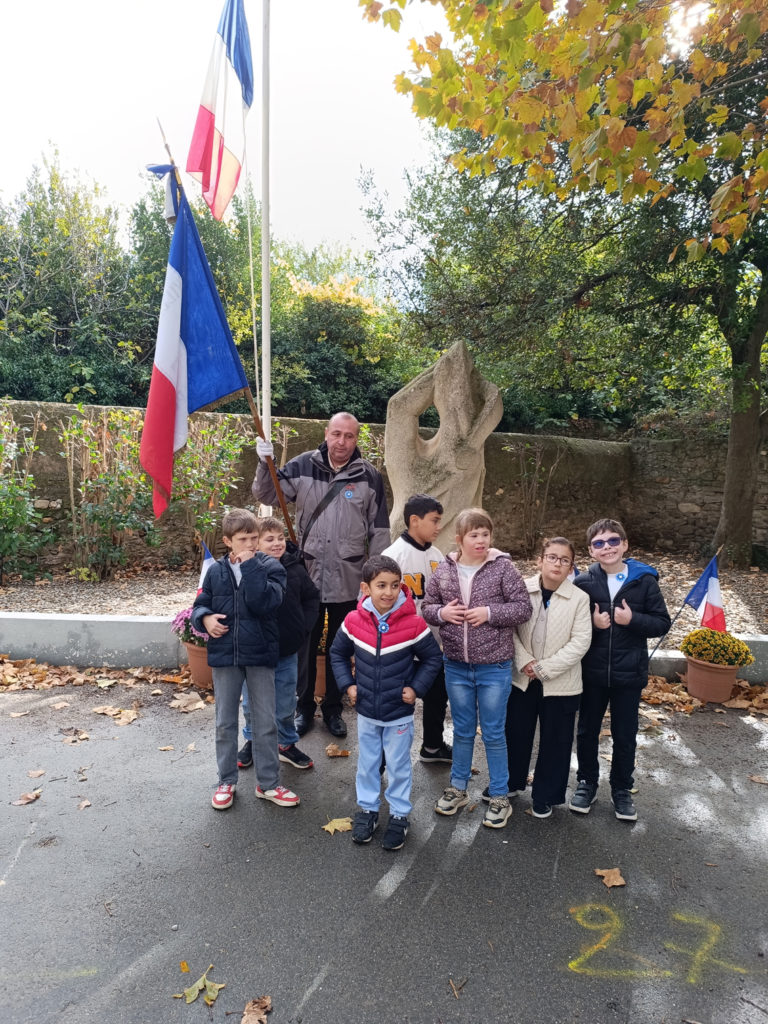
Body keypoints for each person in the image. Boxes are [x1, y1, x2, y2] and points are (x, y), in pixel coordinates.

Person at [252, 412, 390, 739]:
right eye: (337, 434)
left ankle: (332, 708)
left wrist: (376, 579)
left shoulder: (369, 476)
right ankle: (303, 709)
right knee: (305, 645)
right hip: (307, 578)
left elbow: (380, 530)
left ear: (357, 439)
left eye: (349, 436)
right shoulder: (302, 465)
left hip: (348, 578)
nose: (342, 442)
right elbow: (266, 494)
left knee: (337, 648)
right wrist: (264, 462)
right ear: (326, 433)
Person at [422, 508, 532, 829]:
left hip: (494, 666)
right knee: (463, 730)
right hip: (455, 665)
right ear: (459, 539)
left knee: (494, 732)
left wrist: (488, 612)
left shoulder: (503, 569)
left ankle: (499, 795)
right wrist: (443, 613)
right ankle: (458, 788)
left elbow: (522, 607)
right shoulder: (444, 569)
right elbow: (427, 607)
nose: (481, 540)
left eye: (485, 534)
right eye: (474, 535)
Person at [330, 555, 442, 851]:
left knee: (398, 765)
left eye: (394, 585)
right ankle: (367, 810)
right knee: (367, 764)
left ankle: (399, 814)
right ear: (365, 588)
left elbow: (433, 658)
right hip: (366, 711)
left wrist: (415, 688)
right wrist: (348, 685)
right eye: (381, 585)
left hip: (399, 714)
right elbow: (337, 653)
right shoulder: (353, 621)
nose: (388, 592)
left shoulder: (414, 624)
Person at [191, 508, 299, 811]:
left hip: (261, 654)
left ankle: (269, 784)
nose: (250, 544)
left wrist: (251, 566)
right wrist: (206, 618)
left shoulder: (271, 567)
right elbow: (199, 605)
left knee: (265, 722)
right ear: (228, 541)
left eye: (254, 538)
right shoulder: (214, 571)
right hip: (225, 656)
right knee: (225, 722)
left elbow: (263, 603)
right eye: (243, 539)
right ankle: (226, 780)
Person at [570, 518, 671, 822]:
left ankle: (621, 789)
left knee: (625, 734)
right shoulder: (584, 583)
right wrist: (593, 623)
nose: (607, 547)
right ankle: (587, 782)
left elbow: (662, 623)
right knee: (587, 730)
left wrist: (633, 620)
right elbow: (570, 623)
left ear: (625, 544)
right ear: (591, 550)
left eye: (613, 541)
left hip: (629, 674)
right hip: (592, 673)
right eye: (599, 543)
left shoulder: (645, 582)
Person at [506, 537, 592, 818]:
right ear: (540, 560)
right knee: (516, 732)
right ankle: (510, 782)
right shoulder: (522, 590)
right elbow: (511, 631)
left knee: (556, 740)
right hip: (522, 678)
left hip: (561, 683)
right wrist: (526, 663)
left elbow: (580, 642)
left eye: (564, 560)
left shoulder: (580, 598)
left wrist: (544, 668)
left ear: (571, 568)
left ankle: (546, 794)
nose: (557, 563)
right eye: (552, 557)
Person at [238, 517, 320, 773]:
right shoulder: (247, 570)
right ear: (256, 544)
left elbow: (311, 597)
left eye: (280, 538)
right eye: (269, 539)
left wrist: (303, 627)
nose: (277, 544)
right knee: (252, 703)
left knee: (285, 702)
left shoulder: (295, 568)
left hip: (286, 650)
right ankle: (252, 739)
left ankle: (285, 743)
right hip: (255, 653)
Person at [382, 493, 452, 764]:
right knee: (399, 704)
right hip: (401, 649)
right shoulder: (392, 556)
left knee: (437, 698)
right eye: (434, 521)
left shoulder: (437, 556)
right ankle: (384, 759)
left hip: (433, 647)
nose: (438, 527)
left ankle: (432, 747)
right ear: (414, 520)